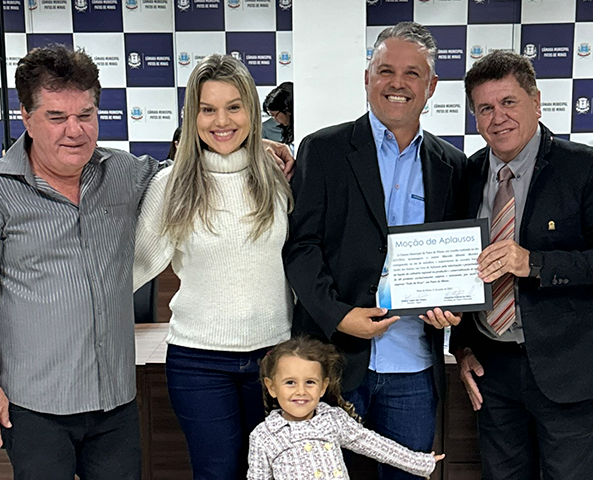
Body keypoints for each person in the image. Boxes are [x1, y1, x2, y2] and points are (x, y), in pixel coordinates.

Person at [0, 46, 295, 479]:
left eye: (85, 115)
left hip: (115, 401)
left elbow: (200, 166)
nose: (74, 130)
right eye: (56, 117)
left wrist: (263, 147)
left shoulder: (123, 172)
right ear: (26, 118)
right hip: (35, 402)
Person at [283, 22, 467, 479]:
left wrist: (450, 306)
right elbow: (301, 248)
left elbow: (455, 260)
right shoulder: (323, 150)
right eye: (386, 71)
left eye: (412, 73)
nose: (396, 83)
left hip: (413, 369)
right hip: (330, 364)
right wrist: (339, 316)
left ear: (431, 86)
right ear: (367, 78)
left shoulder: (452, 165)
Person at [452, 50, 593, 480]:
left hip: (569, 368)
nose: (498, 117)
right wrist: (461, 346)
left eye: (509, 102)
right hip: (492, 370)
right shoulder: (467, 174)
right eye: (485, 108)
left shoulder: (590, 169)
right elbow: (463, 269)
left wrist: (534, 262)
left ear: (537, 102)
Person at [132, 54, 294, 480]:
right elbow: (133, 268)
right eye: (208, 109)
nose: (222, 121)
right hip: (198, 363)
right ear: (193, 116)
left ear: (252, 112)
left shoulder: (278, 177)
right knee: (217, 473)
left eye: (233, 107)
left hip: (274, 359)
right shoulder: (172, 185)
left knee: (273, 472)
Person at [248, 337, 444, 479]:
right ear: (272, 387)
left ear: (323, 387)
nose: (301, 391)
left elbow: (375, 445)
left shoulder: (332, 419)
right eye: (290, 383)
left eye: (310, 382)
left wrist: (419, 462)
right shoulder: (264, 436)